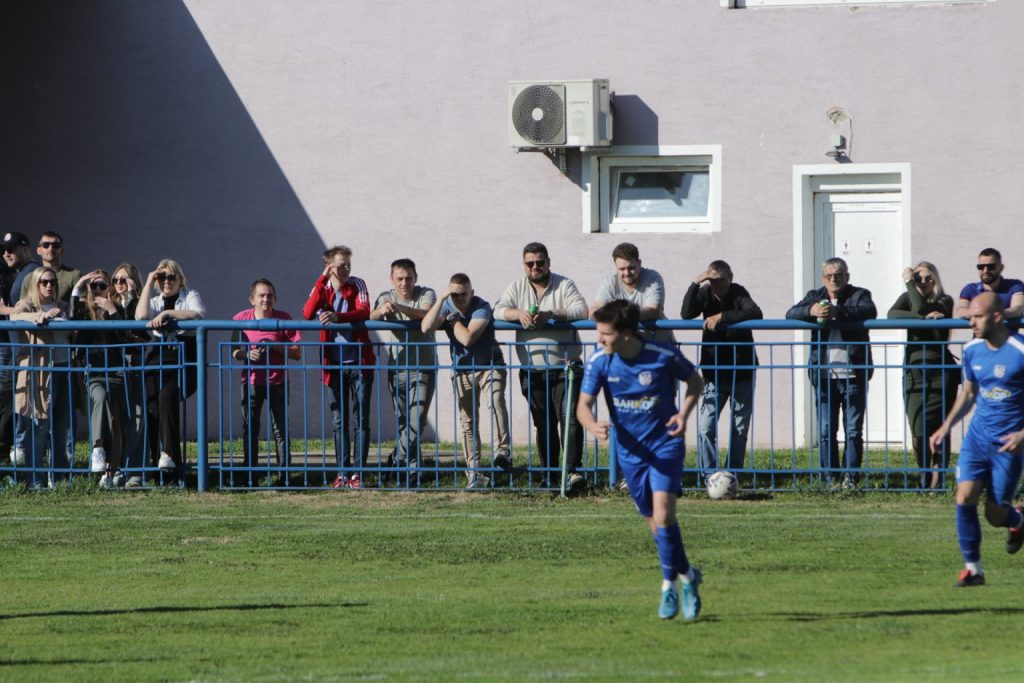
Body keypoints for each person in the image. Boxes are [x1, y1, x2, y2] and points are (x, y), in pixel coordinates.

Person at [575, 300, 705, 620]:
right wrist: (592, 425)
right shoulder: (600, 362)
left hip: (665, 445)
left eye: (605, 334)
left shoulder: (662, 355)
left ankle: (668, 588)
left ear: (627, 334)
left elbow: (695, 381)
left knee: (664, 515)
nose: (599, 339)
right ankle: (688, 577)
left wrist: (683, 415)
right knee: (656, 525)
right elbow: (582, 406)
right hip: (630, 453)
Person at [928, 292, 1024, 587]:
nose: (971, 323)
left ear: (997, 316)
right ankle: (973, 570)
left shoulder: (1020, 350)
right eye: (970, 317)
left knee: (995, 515)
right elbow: (969, 393)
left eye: (977, 317)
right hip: (977, 439)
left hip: (1008, 445)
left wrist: (1022, 434)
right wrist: (946, 426)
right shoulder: (972, 349)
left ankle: (1018, 520)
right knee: (964, 496)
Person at [494, 242, 587, 489]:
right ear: (524, 265)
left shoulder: (564, 284)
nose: (535, 267)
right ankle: (550, 475)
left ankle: (574, 472)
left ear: (548, 262)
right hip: (533, 371)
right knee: (544, 424)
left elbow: (582, 310)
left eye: (540, 262)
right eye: (530, 263)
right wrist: (518, 314)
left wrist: (551, 314)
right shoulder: (516, 286)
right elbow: (498, 310)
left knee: (571, 420)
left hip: (567, 367)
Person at [786, 257, 876, 488]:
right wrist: (811, 310)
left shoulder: (860, 294)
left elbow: (869, 310)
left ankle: (850, 478)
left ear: (847, 276)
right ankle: (830, 478)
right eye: (829, 276)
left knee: (853, 430)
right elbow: (791, 314)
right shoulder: (814, 295)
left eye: (838, 275)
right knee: (826, 430)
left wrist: (837, 311)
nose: (833, 279)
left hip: (854, 373)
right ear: (823, 278)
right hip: (824, 375)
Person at [422, 273, 509, 489]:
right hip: (462, 370)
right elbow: (425, 327)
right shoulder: (447, 304)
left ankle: (502, 452)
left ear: (472, 292)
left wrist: (452, 320)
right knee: (467, 421)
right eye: (455, 294)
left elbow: (468, 338)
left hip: (490, 365)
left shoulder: (481, 306)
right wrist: (442, 299)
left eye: (463, 294)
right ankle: (474, 472)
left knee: (495, 401)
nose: (459, 298)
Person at [301, 245, 375, 489]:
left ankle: (358, 474)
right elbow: (307, 313)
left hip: (360, 363)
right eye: (341, 265)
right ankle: (342, 473)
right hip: (333, 364)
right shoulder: (322, 287)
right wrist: (322, 279)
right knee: (338, 420)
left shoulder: (357, 284)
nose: (346, 269)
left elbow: (364, 311)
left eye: (348, 265)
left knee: (361, 419)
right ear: (329, 266)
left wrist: (337, 317)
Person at [681, 260, 762, 475]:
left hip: (742, 369)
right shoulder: (705, 292)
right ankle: (709, 475)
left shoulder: (738, 292)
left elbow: (755, 312)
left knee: (739, 427)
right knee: (705, 426)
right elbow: (686, 313)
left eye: (720, 280)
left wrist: (722, 317)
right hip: (714, 372)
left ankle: (732, 474)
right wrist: (695, 283)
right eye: (712, 280)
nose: (716, 285)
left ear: (730, 278)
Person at [887, 262, 959, 489]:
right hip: (915, 370)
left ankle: (937, 481)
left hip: (941, 370)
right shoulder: (908, 298)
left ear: (935, 280)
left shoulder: (944, 300)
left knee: (941, 428)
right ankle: (923, 475)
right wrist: (922, 318)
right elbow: (891, 315)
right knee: (918, 429)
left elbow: (920, 309)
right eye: (918, 278)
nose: (923, 282)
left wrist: (910, 284)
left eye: (929, 278)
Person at [135, 259, 206, 480]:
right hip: (157, 364)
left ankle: (170, 458)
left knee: (167, 397)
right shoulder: (155, 301)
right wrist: (148, 283)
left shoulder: (190, 295)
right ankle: (159, 465)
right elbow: (140, 316)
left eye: (171, 277)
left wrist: (168, 314)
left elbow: (197, 314)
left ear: (180, 280)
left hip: (185, 363)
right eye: (161, 277)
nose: (166, 281)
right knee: (153, 408)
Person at [370, 259, 436, 483]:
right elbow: (372, 316)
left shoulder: (426, 293)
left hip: (424, 368)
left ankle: (396, 458)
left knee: (417, 421)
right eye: (399, 279)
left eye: (408, 278)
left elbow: (426, 314)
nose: (404, 283)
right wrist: (382, 310)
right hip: (397, 369)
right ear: (392, 279)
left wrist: (400, 308)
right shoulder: (386, 295)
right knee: (403, 422)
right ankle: (412, 471)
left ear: (416, 278)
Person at [231, 279, 301, 487]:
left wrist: (276, 346)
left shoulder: (284, 319)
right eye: (261, 295)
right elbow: (234, 350)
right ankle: (250, 476)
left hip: (278, 382)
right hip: (251, 382)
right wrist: (247, 354)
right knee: (250, 429)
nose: (266, 299)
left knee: (280, 430)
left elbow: (297, 353)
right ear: (252, 299)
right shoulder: (241, 319)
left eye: (269, 295)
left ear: (275, 298)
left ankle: (284, 477)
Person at [10, 268, 72, 488]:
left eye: (52, 282)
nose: (49, 286)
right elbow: (13, 316)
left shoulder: (62, 306)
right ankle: (35, 480)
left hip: (65, 368)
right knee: (40, 425)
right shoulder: (28, 304)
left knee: (62, 426)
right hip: (41, 371)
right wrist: (38, 317)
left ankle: (60, 479)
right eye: (44, 282)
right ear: (36, 283)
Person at [70, 270, 129, 488]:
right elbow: (72, 318)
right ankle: (97, 448)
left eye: (102, 286)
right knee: (101, 397)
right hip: (94, 371)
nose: (97, 290)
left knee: (114, 420)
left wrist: (111, 310)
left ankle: (110, 472)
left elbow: (124, 337)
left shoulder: (117, 309)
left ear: (109, 289)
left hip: (117, 371)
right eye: (93, 286)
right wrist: (78, 286)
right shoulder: (84, 311)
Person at [0, 231, 38, 467]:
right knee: (9, 401)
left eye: (11, 249)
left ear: (25, 248)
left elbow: (30, 306)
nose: (7, 254)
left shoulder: (32, 272)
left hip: (26, 350)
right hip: (17, 349)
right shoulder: (18, 273)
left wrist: (8, 310)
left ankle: (13, 454)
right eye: (4, 250)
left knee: (13, 402)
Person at [109, 263, 147, 485]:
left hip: (135, 362)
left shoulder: (140, 302)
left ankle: (135, 470)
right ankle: (115, 468)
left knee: (137, 417)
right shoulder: (110, 303)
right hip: (114, 363)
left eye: (123, 280)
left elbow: (138, 327)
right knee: (116, 418)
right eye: (115, 280)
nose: (119, 284)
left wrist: (133, 296)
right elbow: (119, 334)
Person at [590, 242, 672, 343]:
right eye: (622, 269)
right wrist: (619, 316)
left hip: (658, 345)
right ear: (616, 267)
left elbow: (653, 310)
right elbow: (594, 311)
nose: (627, 273)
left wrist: (618, 316)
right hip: (626, 346)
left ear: (639, 263)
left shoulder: (652, 278)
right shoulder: (610, 283)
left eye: (631, 268)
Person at [955, 247, 1024, 319]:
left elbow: (1018, 309)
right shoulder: (970, 289)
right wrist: (984, 315)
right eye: (981, 267)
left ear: (1001, 268)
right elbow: (961, 309)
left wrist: (996, 315)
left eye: (991, 266)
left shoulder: (1015, 285)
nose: (985, 271)